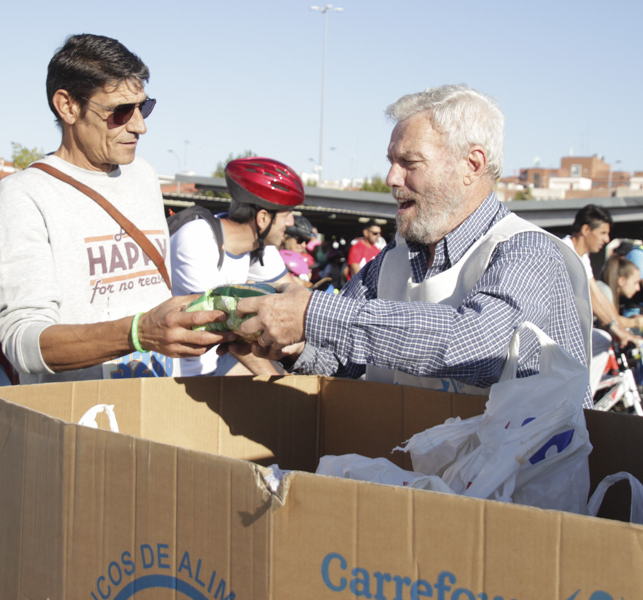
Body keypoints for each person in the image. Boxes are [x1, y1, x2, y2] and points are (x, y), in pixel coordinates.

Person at [231, 84, 593, 405]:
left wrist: (312, 314)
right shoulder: (394, 259)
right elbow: (343, 362)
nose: (391, 178)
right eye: (391, 161)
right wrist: (285, 344)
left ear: (472, 164)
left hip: (520, 479)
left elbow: (481, 346)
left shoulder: (528, 251)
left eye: (409, 162)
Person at [0, 33, 230, 384]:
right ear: (67, 107)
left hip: (156, 406)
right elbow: (22, 343)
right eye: (120, 112)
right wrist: (138, 334)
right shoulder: (25, 194)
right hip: (82, 420)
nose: (140, 125)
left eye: (144, 107)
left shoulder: (143, 175)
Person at [169, 157, 304, 376]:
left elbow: (296, 303)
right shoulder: (198, 238)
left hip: (216, 364)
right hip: (180, 374)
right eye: (287, 214)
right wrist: (281, 381)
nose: (291, 223)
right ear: (262, 219)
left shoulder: (261, 248)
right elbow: (226, 324)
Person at [562, 204, 643, 348]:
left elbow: (599, 296)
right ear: (586, 229)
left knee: (603, 341)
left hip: (565, 329)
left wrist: (624, 331)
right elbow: (587, 297)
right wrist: (612, 326)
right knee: (603, 339)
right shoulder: (564, 252)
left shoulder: (583, 257)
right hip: (548, 331)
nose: (607, 239)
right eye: (603, 233)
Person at [279, 215, 316, 288]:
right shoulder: (270, 258)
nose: (304, 245)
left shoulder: (304, 260)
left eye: (307, 241)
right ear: (285, 237)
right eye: (300, 240)